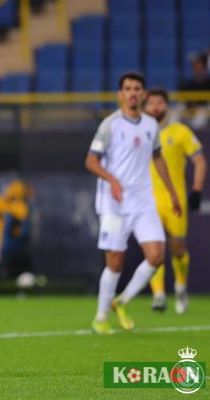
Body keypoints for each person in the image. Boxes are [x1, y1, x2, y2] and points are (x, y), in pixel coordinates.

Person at [85, 72, 182, 335]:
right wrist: (113, 181)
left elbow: (158, 158)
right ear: (120, 94)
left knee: (156, 256)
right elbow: (91, 161)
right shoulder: (110, 125)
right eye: (127, 88)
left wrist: (172, 192)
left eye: (137, 88)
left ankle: (121, 301)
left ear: (143, 94)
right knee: (115, 261)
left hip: (142, 201)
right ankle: (100, 317)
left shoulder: (151, 124)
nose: (132, 93)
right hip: (114, 203)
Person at [144, 88, 207, 314]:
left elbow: (199, 161)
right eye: (151, 103)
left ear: (166, 106)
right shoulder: (140, 132)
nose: (155, 107)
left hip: (174, 199)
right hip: (147, 200)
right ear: (145, 107)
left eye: (160, 103)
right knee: (154, 248)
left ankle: (180, 286)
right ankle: (158, 294)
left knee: (178, 248)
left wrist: (196, 190)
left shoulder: (180, 132)